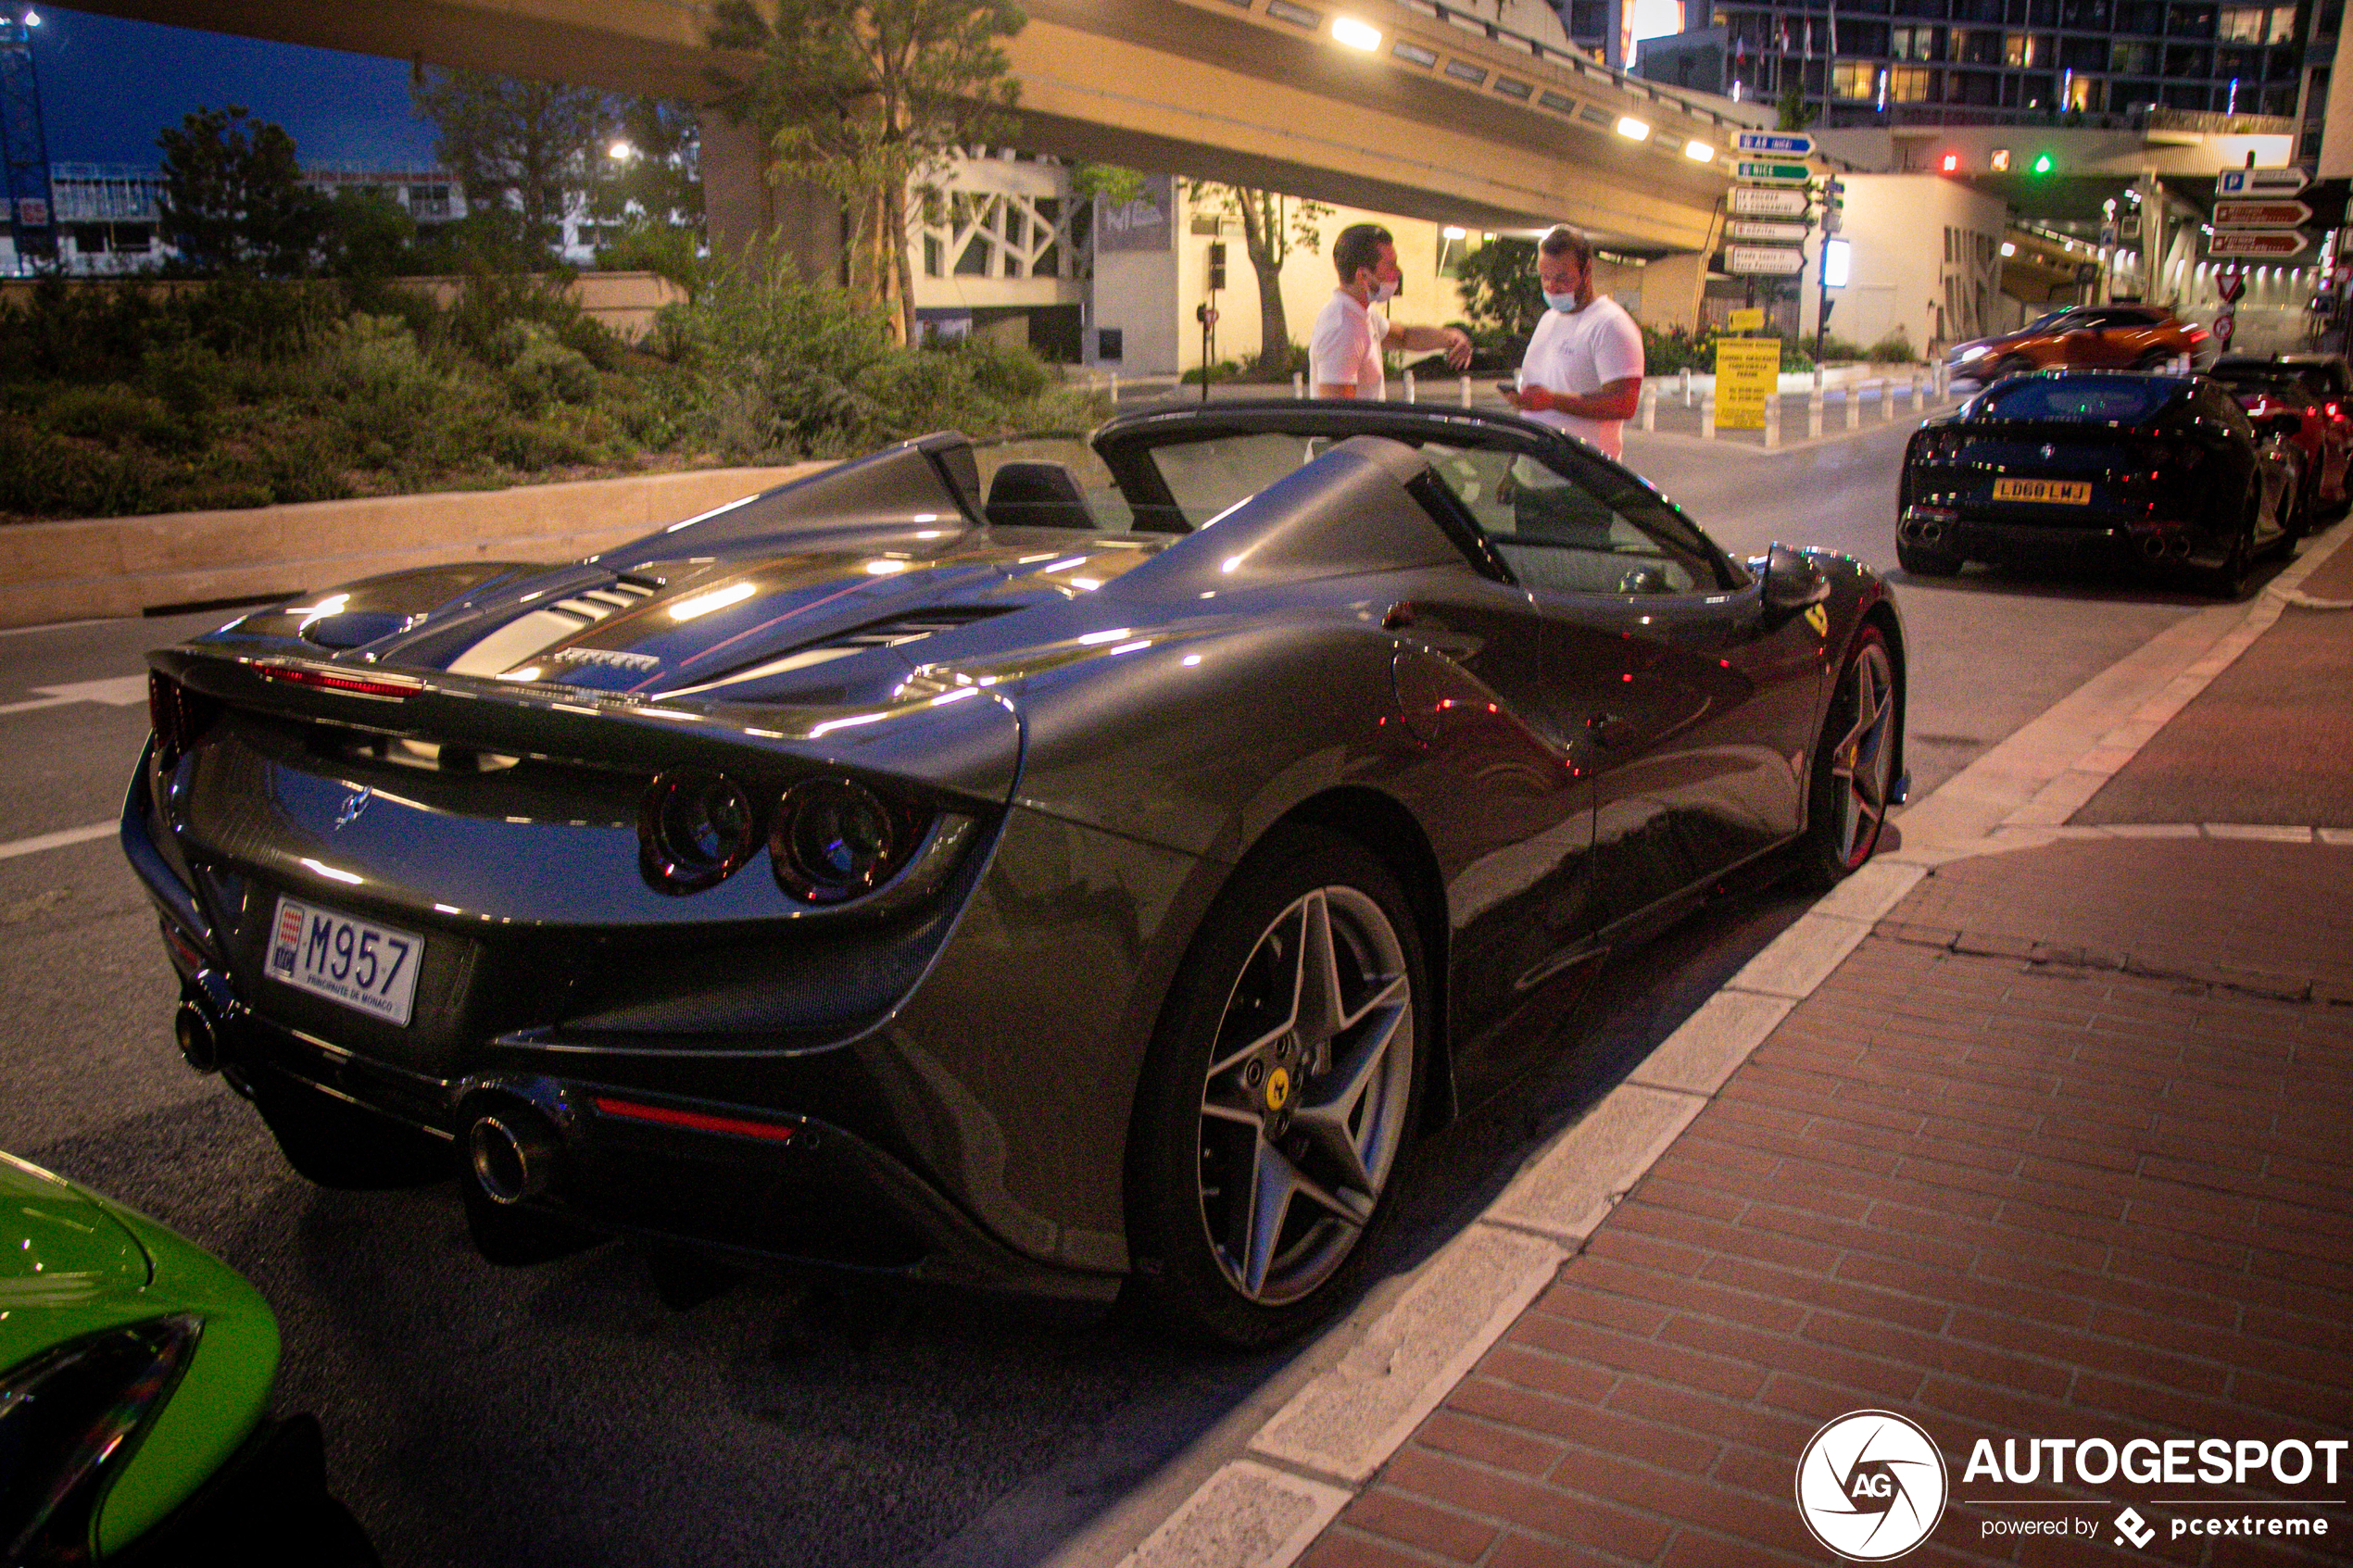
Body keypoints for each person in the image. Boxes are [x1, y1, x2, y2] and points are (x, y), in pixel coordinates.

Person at [1506, 225, 1645, 459]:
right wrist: (1514, 468)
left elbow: (1624, 402)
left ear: (1587, 271)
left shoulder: (1611, 324)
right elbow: (1533, 406)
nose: (1551, 287)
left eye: (1563, 278)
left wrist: (1551, 400)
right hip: (1533, 468)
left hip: (1582, 475)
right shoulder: (1548, 320)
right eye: (1545, 277)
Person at [1308, 223, 1473, 399]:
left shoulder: (1362, 314)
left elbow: (1404, 337)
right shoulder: (1342, 329)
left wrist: (1452, 337)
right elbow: (1338, 415)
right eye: (1390, 266)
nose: (1398, 273)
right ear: (1363, 276)